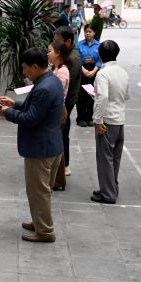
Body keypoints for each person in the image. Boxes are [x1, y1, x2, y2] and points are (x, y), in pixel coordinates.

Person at [0, 48, 63, 243]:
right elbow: (36, 108)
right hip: (51, 145)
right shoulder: (51, 80)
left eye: (26, 69)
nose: (24, 73)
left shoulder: (43, 87)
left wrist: (7, 113)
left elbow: (31, 118)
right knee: (41, 191)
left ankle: (45, 231)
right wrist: (14, 104)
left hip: (41, 148)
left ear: (35, 66)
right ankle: (39, 221)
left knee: (38, 191)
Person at [91, 40, 130, 204]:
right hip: (120, 119)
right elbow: (126, 96)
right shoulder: (123, 72)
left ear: (100, 54)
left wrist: (98, 120)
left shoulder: (103, 73)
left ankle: (108, 193)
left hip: (107, 120)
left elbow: (103, 97)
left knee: (104, 157)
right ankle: (111, 187)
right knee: (114, 157)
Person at [54, 27, 82, 177]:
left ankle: (64, 165)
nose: (54, 45)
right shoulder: (66, 56)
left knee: (62, 133)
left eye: (57, 41)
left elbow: (62, 85)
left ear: (68, 41)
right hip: (64, 101)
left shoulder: (72, 59)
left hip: (66, 102)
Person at [48, 40, 71, 191]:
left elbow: (55, 90)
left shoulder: (62, 71)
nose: (47, 53)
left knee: (57, 146)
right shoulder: (55, 68)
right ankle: (55, 178)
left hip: (58, 110)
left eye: (49, 50)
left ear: (58, 53)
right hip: (54, 109)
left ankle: (58, 180)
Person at [76, 24, 102, 127]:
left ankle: (89, 117)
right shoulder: (78, 45)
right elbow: (77, 59)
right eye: (86, 31)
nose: (88, 33)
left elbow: (100, 60)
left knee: (92, 96)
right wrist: (84, 70)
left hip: (94, 73)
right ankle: (81, 118)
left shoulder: (98, 45)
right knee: (81, 96)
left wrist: (94, 71)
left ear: (94, 33)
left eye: (90, 32)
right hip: (82, 72)